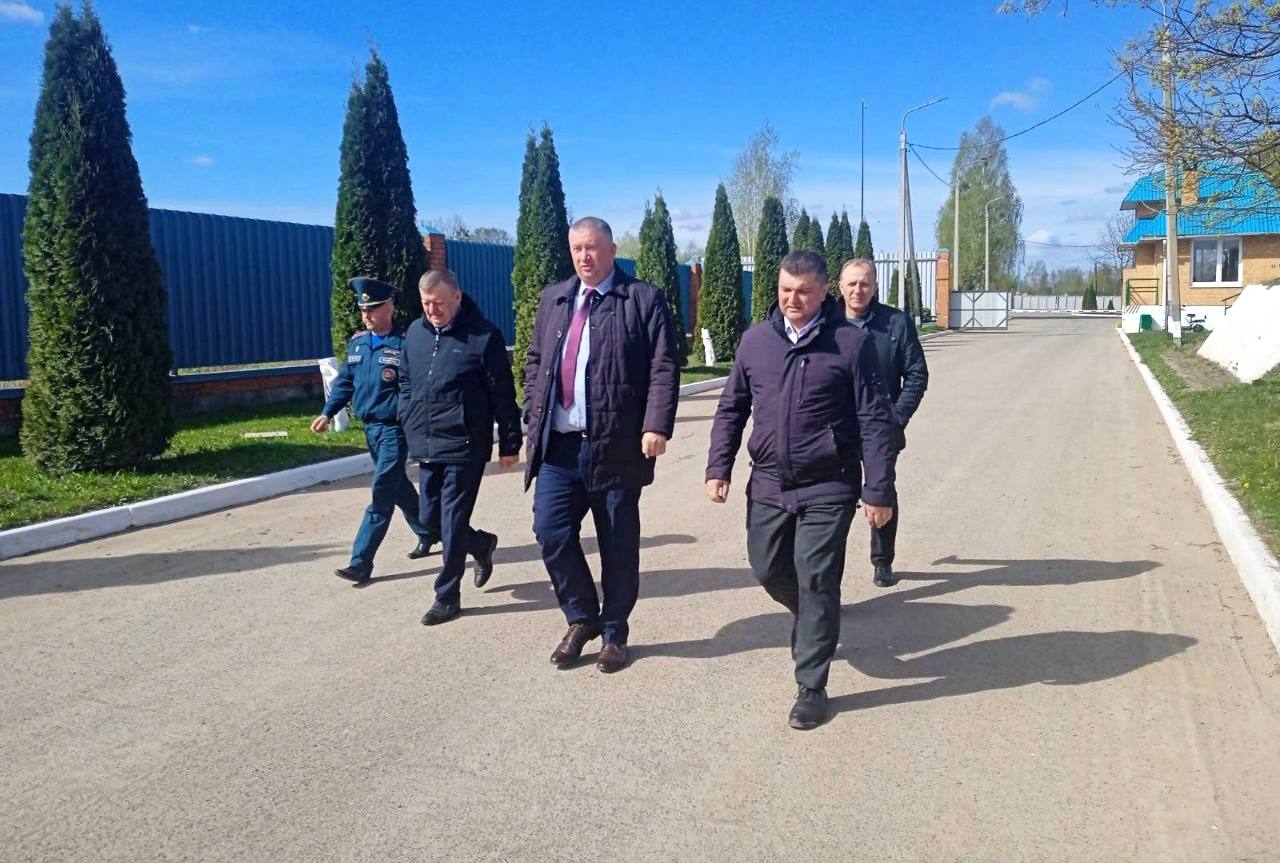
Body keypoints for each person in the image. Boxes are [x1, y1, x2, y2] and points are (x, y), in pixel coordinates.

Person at [705, 250, 899, 730]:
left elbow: (875, 420)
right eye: (785, 290)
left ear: (823, 291)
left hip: (828, 484)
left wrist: (878, 489)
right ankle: (816, 614)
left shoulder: (850, 343)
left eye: (804, 292)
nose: (792, 300)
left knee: (816, 577)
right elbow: (732, 408)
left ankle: (811, 686)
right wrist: (718, 466)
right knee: (767, 567)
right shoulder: (755, 342)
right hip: (769, 481)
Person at [522, 217, 680, 673]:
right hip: (559, 447)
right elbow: (536, 361)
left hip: (616, 444)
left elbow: (664, 366)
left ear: (612, 250)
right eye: (577, 248)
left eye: (592, 247)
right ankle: (581, 617)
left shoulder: (642, 298)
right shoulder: (555, 298)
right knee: (550, 531)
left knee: (617, 544)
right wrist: (533, 408)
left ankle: (614, 633)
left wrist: (656, 424)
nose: (584, 256)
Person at [399, 268, 521, 626]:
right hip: (426, 441)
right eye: (426, 303)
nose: (432, 310)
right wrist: (406, 415)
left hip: (466, 442)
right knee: (429, 518)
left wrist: (510, 441)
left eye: (438, 303)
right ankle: (480, 544)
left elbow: (503, 393)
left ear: (457, 297)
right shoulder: (415, 333)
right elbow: (405, 380)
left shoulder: (483, 337)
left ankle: (447, 596)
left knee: (452, 519)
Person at [311, 276, 436, 584]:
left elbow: (418, 389)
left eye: (373, 308)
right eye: (363, 309)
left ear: (389, 308)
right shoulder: (358, 345)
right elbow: (345, 383)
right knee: (398, 487)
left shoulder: (404, 345)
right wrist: (328, 413)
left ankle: (361, 562)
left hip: (394, 430)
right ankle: (431, 531)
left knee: (381, 493)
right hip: (370, 430)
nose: (366, 315)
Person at [838, 259, 929, 588]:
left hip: (881, 428)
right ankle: (827, 570)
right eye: (851, 283)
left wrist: (896, 417)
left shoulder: (896, 323)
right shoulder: (827, 322)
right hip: (837, 428)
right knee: (834, 498)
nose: (857, 290)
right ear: (840, 286)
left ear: (875, 286)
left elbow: (917, 374)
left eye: (864, 283)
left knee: (881, 490)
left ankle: (882, 561)